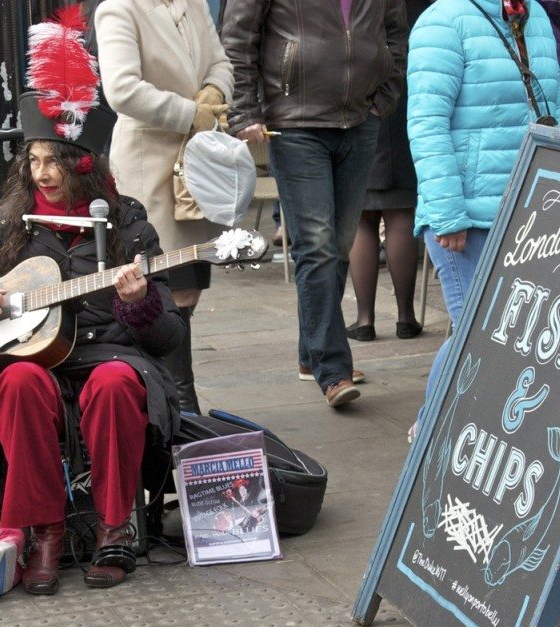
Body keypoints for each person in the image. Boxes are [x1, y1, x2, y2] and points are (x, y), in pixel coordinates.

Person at [0, 7, 184, 594]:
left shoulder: (129, 224)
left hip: (111, 359)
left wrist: (138, 306)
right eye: (34, 160)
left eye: (55, 160)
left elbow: (170, 337)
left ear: (86, 164)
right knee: (17, 382)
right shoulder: (14, 224)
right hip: (35, 362)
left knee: (111, 384)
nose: (43, 172)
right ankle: (42, 530)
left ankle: (114, 527)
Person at [222, 0, 408, 408]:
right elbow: (238, 36)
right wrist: (244, 110)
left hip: (360, 119)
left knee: (339, 244)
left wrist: (385, 98)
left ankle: (312, 354)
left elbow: (395, 32)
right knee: (318, 244)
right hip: (294, 121)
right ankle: (333, 368)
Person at [409, 0, 560, 409]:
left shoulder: (534, 15)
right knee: (477, 335)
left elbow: (555, 111)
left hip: (530, 210)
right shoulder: (441, 20)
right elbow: (427, 125)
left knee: (510, 337)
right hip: (467, 217)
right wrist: (447, 215)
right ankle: (431, 434)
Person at [95, 0, 233, 416]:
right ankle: (179, 401)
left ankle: (175, 398)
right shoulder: (117, 9)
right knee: (161, 287)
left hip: (194, 167)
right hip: (148, 170)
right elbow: (121, 89)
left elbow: (221, 63)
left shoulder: (192, 2)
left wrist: (215, 91)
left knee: (188, 288)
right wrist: (191, 113)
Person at [347, 0, 429, 345]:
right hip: (405, 94)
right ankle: (406, 317)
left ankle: (364, 319)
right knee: (400, 211)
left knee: (362, 216)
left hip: (358, 94)